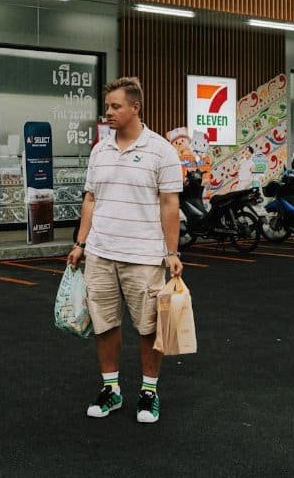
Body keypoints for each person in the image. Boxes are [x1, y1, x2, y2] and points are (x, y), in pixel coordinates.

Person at [67, 77, 183, 424]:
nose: (109, 113)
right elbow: (90, 199)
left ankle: (149, 392)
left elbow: (169, 204)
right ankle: (111, 390)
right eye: (107, 107)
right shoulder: (100, 150)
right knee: (104, 324)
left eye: (116, 106)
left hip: (145, 256)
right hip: (100, 253)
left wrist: (172, 252)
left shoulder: (161, 150)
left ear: (136, 107)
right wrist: (80, 243)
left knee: (149, 328)